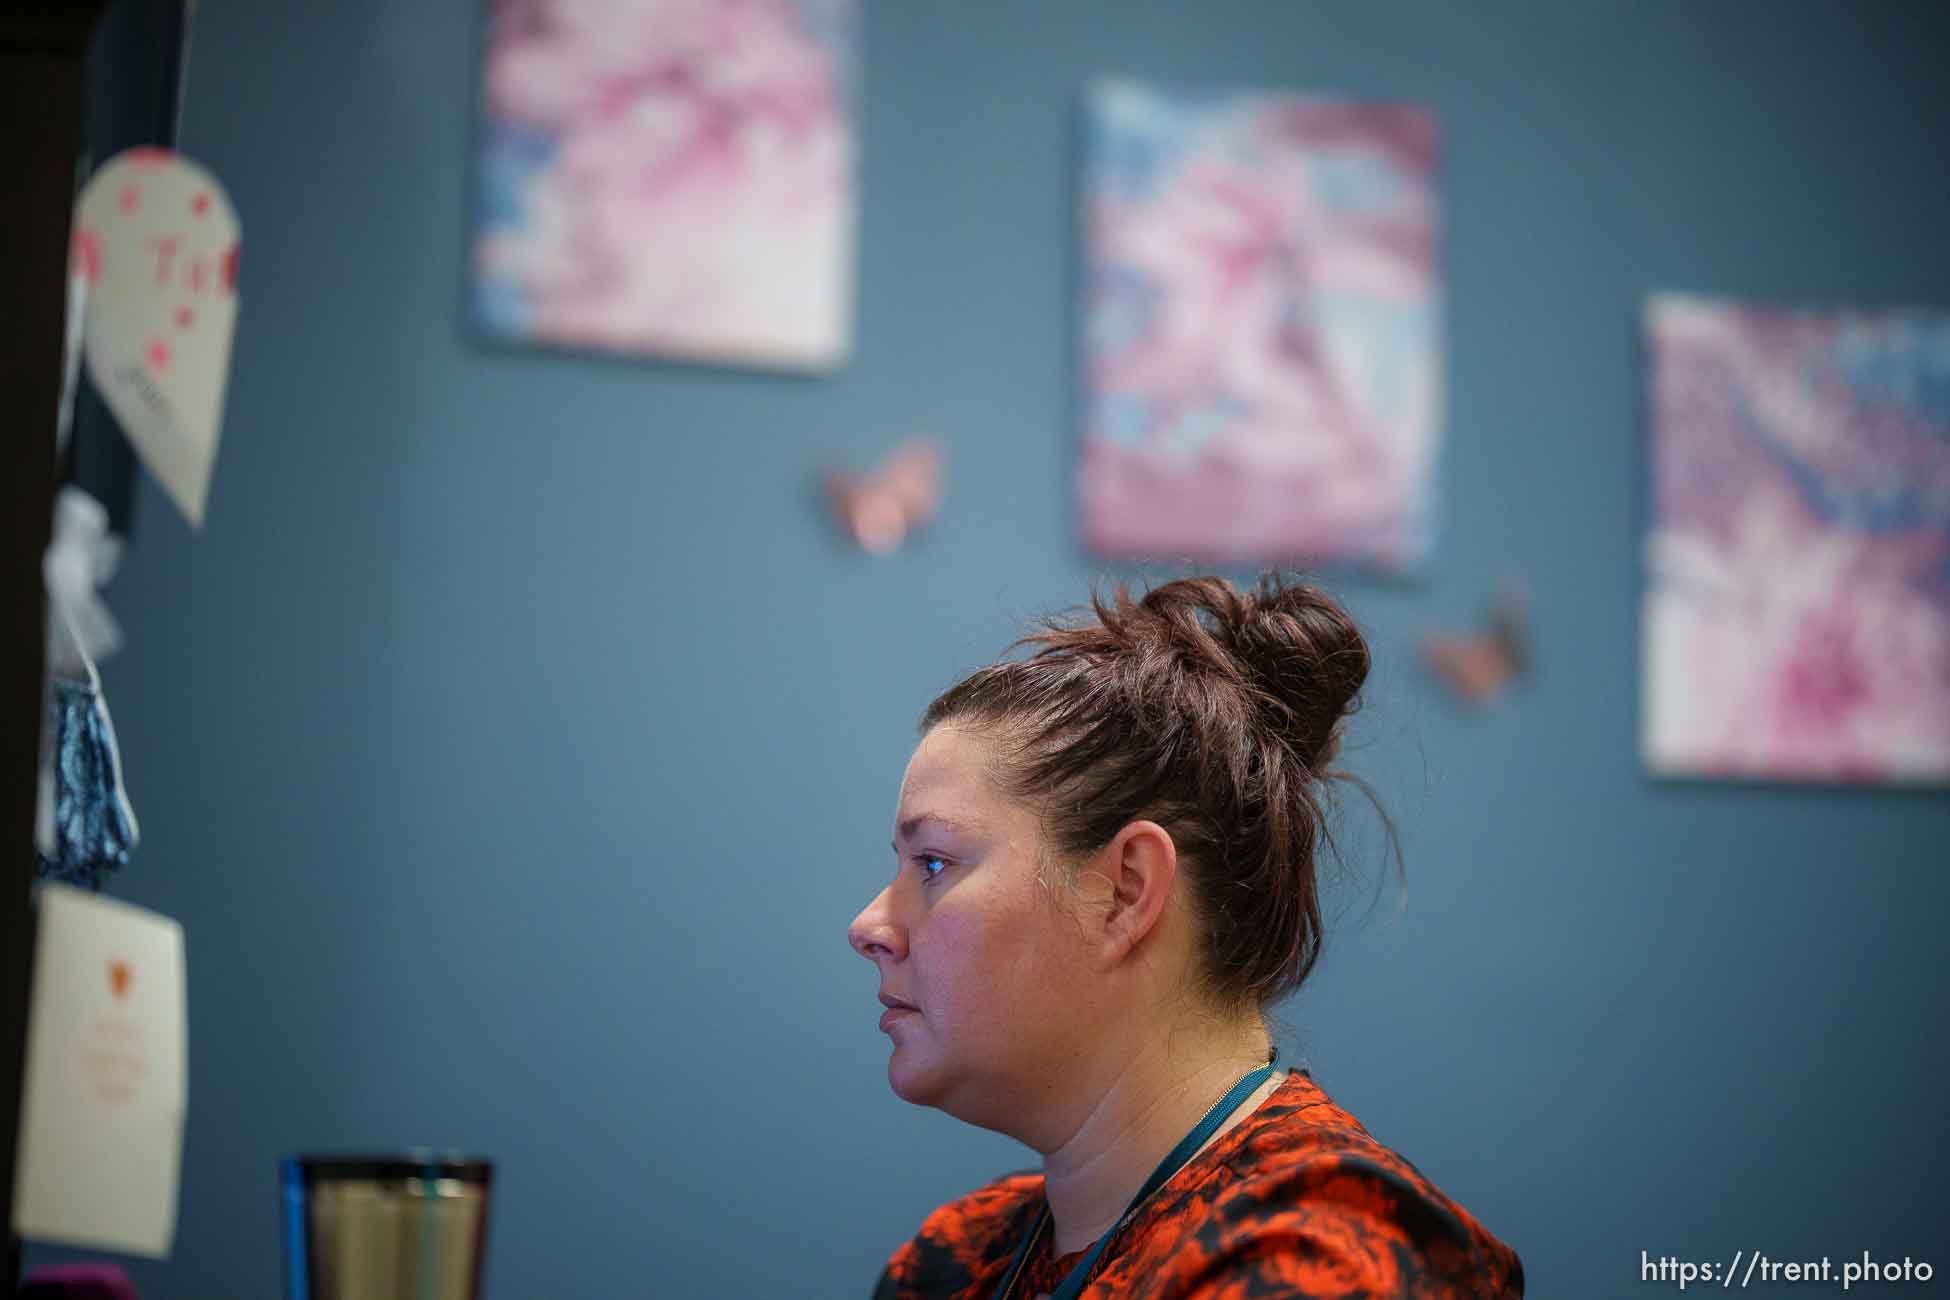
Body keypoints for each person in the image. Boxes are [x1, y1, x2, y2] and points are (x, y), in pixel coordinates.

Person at [849, 572, 1523, 1299]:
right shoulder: (955, 1263)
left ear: (1127, 892)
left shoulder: (1321, 1266)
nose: (870, 927)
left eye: (934, 863)